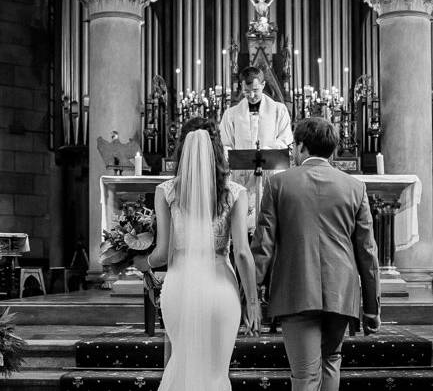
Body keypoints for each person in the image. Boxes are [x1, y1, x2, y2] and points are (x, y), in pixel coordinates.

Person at [251, 117, 382, 391]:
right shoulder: (355, 187)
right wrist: (372, 307)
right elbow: (367, 252)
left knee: (306, 375)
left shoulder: (279, 184)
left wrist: (250, 295)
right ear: (332, 149)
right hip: (341, 292)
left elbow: (264, 245)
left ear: (301, 146)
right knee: (331, 361)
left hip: (296, 289)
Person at [134, 117, 261, 390]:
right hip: (220, 290)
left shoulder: (166, 191)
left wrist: (140, 262)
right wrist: (253, 302)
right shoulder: (235, 193)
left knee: (182, 363)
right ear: (218, 149)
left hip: (180, 288)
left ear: (182, 149)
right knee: (216, 373)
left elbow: (162, 254)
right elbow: (241, 253)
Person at [219, 66, 293, 232]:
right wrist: (229, 154)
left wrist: (263, 152)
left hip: (270, 173)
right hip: (241, 175)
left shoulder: (279, 110)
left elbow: (285, 140)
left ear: (264, 84)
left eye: (255, 90)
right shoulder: (231, 114)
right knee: (242, 223)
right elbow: (225, 143)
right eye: (246, 91)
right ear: (241, 88)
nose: (251, 96)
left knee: (269, 222)